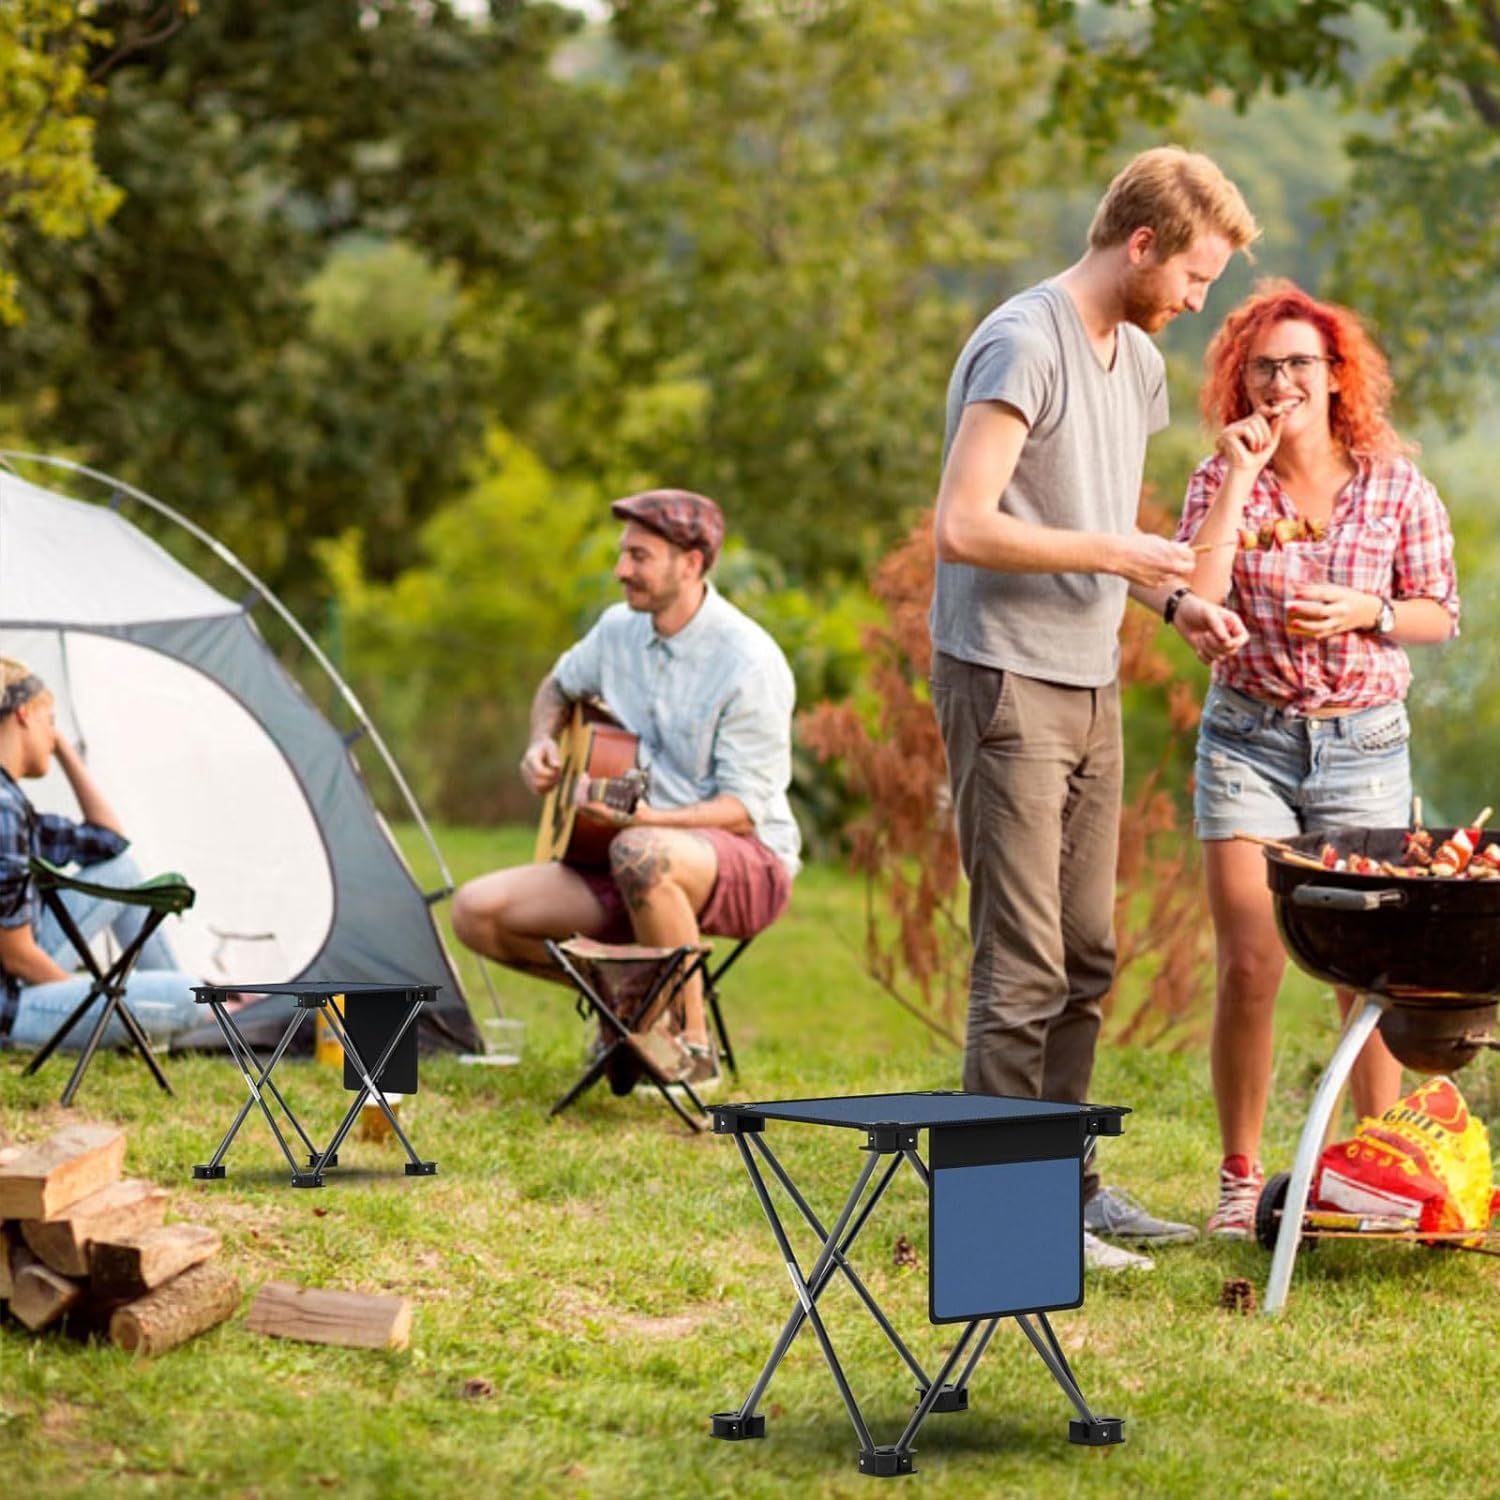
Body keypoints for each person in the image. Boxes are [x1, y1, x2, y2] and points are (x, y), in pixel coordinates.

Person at [930, 146, 1260, 1272]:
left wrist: (1169, 603)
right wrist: (1120, 550)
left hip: (1088, 675)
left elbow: (1100, 526)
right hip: (1003, 672)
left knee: (1085, 953)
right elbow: (965, 525)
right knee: (1018, 962)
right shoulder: (1026, 342)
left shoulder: (1138, 365)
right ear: (1142, 244)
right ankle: (996, 1217)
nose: (1196, 300)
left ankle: (1064, 1187)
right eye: (1195, 277)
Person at [1174, 280, 1459, 1238]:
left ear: (1336, 377)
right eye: (1265, 366)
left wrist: (1366, 610)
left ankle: (1373, 1177)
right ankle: (1239, 1180)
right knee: (1251, 962)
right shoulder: (1222, 476)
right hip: (1248, 737)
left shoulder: (1393, 483)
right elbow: (1196, 595)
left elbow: (1438, 612)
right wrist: (1242, 478)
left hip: (1364, 743)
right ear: (1241, 379)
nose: (1283, 380)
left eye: (1301, 363)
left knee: (1366, 973)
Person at [452, 489, 800, 1088]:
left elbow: (743, 810)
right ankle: (632, 1006)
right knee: (477, 913)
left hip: (741, 860)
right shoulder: (617, 631)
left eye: (639, 557)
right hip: (622, 850)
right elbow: (558, 689)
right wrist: (541, 743)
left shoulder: (749, 662)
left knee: (640, 853)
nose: (621, 571)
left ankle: (691, 1048)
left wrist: (645, 823)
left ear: (690, 564)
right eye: (623, 555)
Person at [0, 658, 201, 1052]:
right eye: (50, 721)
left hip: (19, 979)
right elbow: (18, 957)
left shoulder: (14, 804)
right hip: (12, 1006)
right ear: (24, 714)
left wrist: (63, 752)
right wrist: (92, 997)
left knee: (121, 870)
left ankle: (167, 1024)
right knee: (191, 994)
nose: (54, 735)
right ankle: (174, 1018)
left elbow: (110, 843)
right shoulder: (3, 808)